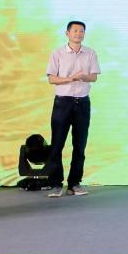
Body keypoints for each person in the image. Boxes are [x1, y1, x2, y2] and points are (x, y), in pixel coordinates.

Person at [44, 21, 100, 197]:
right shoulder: (58, 53)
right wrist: (71, 79)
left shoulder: (90, 53)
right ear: (67, 33)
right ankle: (55, 184)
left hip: (82, 102)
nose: (78, 33)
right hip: (63, 102)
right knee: (57, 144)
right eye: (75, 30)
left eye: (81, 31)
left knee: (80, 145)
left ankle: (74, 184)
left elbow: (94, 77)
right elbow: (52, 79)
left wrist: (84, 77)